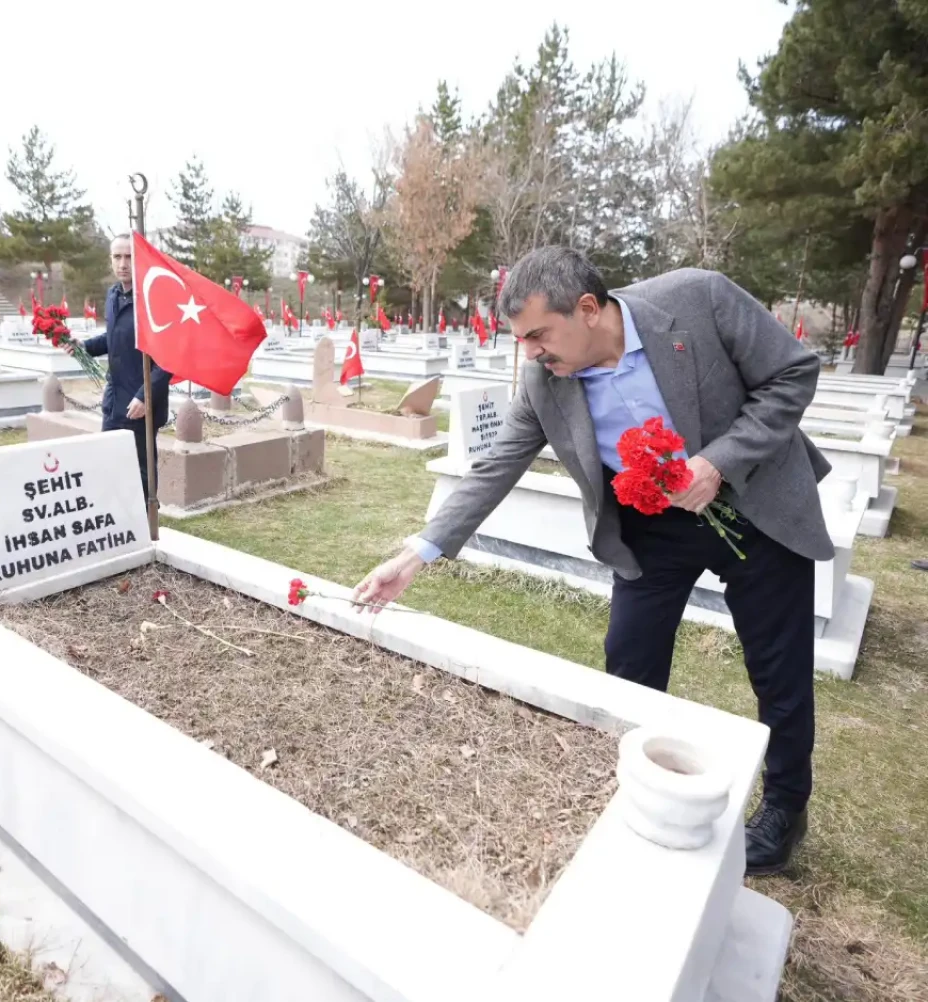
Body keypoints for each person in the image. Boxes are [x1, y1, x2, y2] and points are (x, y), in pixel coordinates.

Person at [352, 247, 833, 876]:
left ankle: (786, 807)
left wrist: (717, 463)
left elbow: (792, 373)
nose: (530, 352)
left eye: (538, 335)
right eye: (522, 339)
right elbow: (496, 467)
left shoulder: (698, 298)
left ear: (587, 309)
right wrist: (417, 553)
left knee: (779, 670)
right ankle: (642, 786)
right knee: (629, 661)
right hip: (652, 530)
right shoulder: (544, 381)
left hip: (755, 505)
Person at [80, 234, 171, 504]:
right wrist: (83, 347)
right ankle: (117, 518)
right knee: (110, 462)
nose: (123, 264)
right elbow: (114, 338)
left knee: (141, 473)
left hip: (141, 403)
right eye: (117, 257)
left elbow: (168, 359)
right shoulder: (113, 294)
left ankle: (145, 520)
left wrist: (145, 396)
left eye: (129, 257)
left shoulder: (153, 299)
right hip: (114, 400)